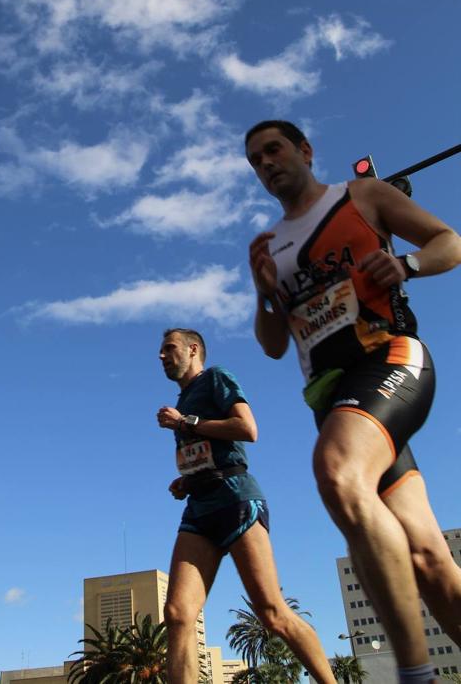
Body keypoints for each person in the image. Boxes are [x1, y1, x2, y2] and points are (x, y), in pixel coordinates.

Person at [245, 119, 461, 684]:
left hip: (390, 361)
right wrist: (266, 295)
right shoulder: (273, 247)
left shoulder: (360, 195)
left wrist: (407, 264)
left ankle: (415, 677)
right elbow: (272, 346)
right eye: (255, 160)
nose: (266, 163)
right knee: (429, 559)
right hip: (335, 399)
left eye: (274, 149)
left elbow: (449, 242)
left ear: (305, 151)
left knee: (338, 472)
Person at [157, 327, 337, 684]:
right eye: (161, 352)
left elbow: (247, 428)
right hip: (200, 506)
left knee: (271, 612)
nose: (162, 356)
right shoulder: (182, 400)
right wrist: (187, 480)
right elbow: (208, 452)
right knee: (177, 614)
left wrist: (187, 422)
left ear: (193, 350)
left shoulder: (216, 378)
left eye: (169, 349)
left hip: (236, 498)